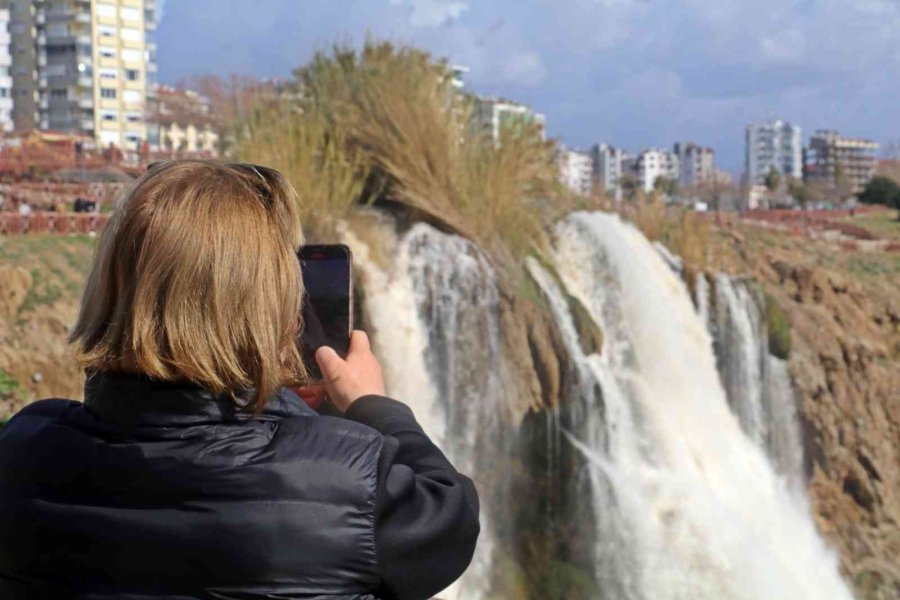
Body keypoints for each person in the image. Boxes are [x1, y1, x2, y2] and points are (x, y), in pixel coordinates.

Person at [0, 160, 480, 600]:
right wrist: (371, 405)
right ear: (274, 307)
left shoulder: (23, 452)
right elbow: (450, 517)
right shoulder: (348, 479)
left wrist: (280, 411)